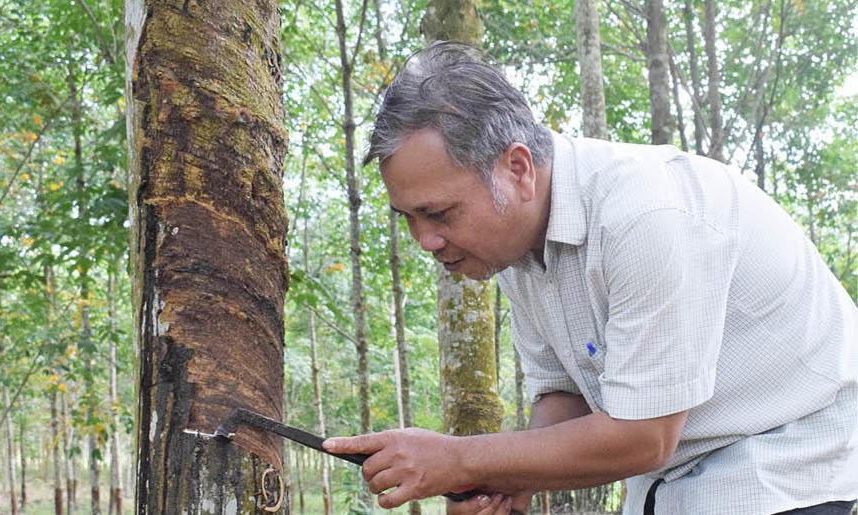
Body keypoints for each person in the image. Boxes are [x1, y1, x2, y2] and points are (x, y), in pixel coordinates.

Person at [321, 42, 858, 515]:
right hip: (672, 484)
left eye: (440, 214)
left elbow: (643, 436)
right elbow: (564, 394)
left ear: (518, 169)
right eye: (410, 219)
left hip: (784, 471)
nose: (426, 241)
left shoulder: (645, 217)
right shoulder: (511, 250)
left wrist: (460, 460)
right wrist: (504, 483)